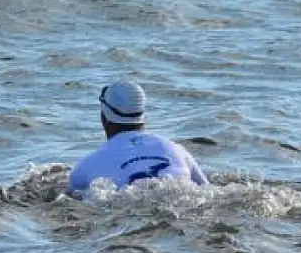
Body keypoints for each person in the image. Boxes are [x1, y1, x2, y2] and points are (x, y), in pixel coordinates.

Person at [67, 80, 209, 196]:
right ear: (144, 115)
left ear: (104, 117)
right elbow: (207, 190)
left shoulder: (86, 167)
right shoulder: (176, 150)